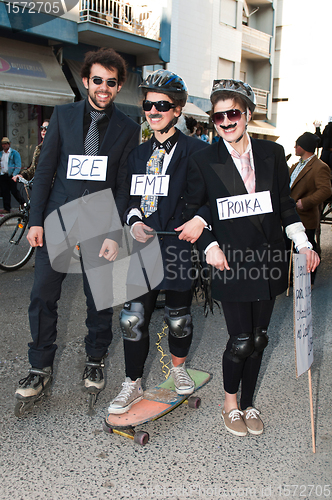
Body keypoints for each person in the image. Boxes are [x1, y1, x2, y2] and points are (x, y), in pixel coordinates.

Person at [177, 79, 319, 437]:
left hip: (269, 258)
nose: (225, 121)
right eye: (218, 116)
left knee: (259, 338)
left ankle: (250, 401)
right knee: (240, 340)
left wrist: (303, 243)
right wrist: (209, 247)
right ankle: (230, 403)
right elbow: (197, 211)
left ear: (248, 115)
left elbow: (285, 206)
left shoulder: (273, 155)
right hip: (231, 260)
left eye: (233, 113)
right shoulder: (205, 160)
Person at [15, 47, 140, 409]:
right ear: (86, 80)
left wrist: (116, 233)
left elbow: (123, 186)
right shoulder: (63, 115)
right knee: (42, 295)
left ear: (118, 87)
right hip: (57, 220)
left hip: (100, 223)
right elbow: (45, 171)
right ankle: (39, 366)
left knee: (99, 299)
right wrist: (35, 220)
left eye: (111, 82)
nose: (103, 87)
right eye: (97, 80)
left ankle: (95, 360)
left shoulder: (128, 129)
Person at [107, 69, 208, 415]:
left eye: (161, 105)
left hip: (178, 247)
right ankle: (132, 383)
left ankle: (178, 370)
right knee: (132, 318)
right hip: (142, 249)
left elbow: (213, 196)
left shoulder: (197, 151)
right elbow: (128, 198)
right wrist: (133, 221)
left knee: (179, 319)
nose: (153, 111)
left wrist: (200, 219)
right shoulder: (138, 155)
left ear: (177, 110)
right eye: (148, 105)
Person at [288, 132, 331, 283]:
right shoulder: (296, 165)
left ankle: (307, 281)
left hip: (305, 216)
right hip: (291, 215)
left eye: (297, 144)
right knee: (289, 249)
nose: (295, 147)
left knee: (307, 248)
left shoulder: (320, 167)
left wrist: (305, 202)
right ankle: (293, 279)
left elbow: (326, 190)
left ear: (304, 147)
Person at [0, 137, 25, 213]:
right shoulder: (1, 154)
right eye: (3, 144)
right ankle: (7, 208)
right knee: (5, 192)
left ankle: (23, 203)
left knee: (14, 191)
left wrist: (15, 174)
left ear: (9, 144)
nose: (4, 145)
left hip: (11, 174)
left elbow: (18, 165)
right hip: (3, 174)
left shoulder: (14, 153)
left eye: (5, 144)